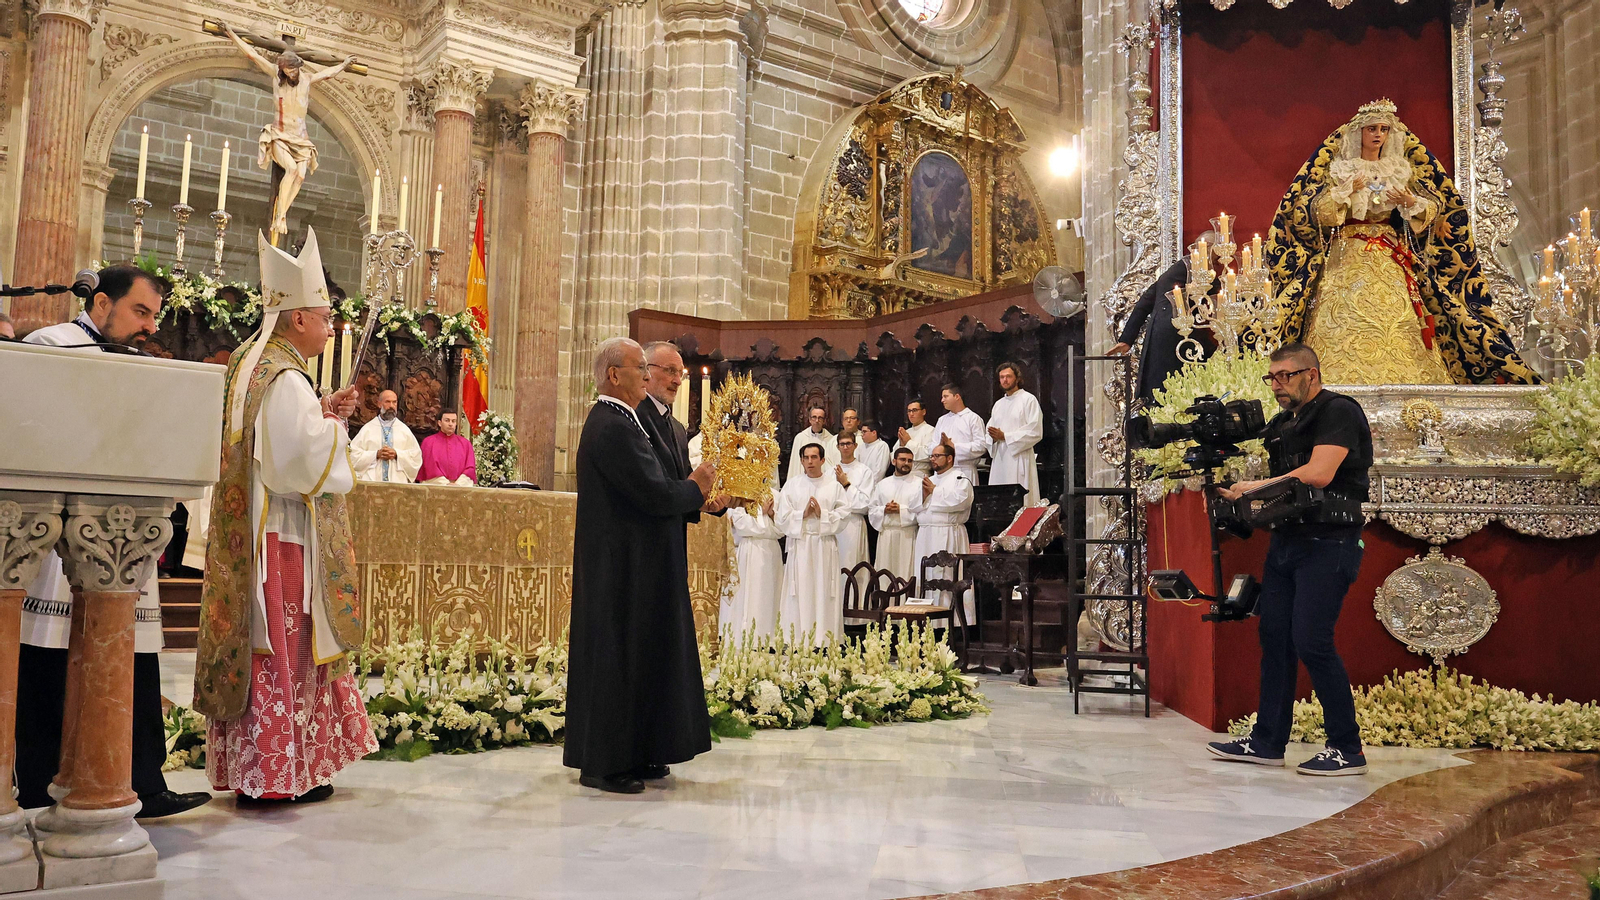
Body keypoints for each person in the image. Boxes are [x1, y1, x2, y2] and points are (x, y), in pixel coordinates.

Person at [18, 265, 210, 820]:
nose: (149, 325)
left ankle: (143, 785)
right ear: (101, 302)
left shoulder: (144, 365)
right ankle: (35, 785)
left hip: (125, 537)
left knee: (134, 659)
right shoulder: (51, 347)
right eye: (140, 311)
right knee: (50, 656)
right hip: (59, 538)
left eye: (155, 315)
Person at [195, 229, 377, 802]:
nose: (330, 328)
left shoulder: (253, 364)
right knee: (286, 650)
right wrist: (335, 429)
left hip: (255, 532)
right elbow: (300, 464)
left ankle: (262, 769)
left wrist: (320, 414)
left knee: (267, 647)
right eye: (325, 318)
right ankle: (278, 777)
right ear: (297, 319)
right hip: (284, 540)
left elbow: (270, 441)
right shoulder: (287, 374)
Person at [1267, 98, 1536, 385]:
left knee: (1402, 319)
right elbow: (1318, 214)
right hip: (1348, 253)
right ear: (1359, 133)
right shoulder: (1342, 170)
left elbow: (1431, 209)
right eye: (1372, 129)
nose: (1378, 135)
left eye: (1383, 129)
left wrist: (1409, 202)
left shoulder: (1397, 169)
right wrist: (1345, 192)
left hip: (1390, 254)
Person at [1207, 344, 1372, 776]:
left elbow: (1319, 473)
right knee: (1275, 639)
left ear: (1311, 375)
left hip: (1330, 541)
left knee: (1312, 640)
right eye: (1272, 378)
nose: (1277, 385)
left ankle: (1347, 748)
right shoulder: (1284, 423)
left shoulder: (1338, 411)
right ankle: (1267, 743)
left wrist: (1253, 486)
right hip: (1288, 541)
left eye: (1285, 376)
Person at [566, 337, 716, 794]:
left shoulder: (624, 422)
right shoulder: (612, 426)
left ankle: (636, 751)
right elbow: (652, 491)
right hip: (618, 567)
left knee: (634, 658)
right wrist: (697, 486)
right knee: (615, 658)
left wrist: (693, 494)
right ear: (616, 375)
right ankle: (604, 764)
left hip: (633, 562)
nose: (648, 376)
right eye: (640, 368)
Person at [222, 24, 356, 240]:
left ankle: (282, 213)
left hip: (301, 139)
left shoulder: (306, 80)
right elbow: (253, 55)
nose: (290, 73)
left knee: (301, 175)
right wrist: (231, 34)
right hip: (280, 135)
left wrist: (344, 64)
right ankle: (280, 217)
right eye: (287, 70)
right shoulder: (276, 77)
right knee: (292, 170)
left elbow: (328, 73)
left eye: (293, 69)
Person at [1108, 254, 1218, 404]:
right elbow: (1216, 290)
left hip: (1162, 338)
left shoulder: (1170, 274)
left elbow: (1144, 302)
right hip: (1176, 337)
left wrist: (1127, 339)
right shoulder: (1193, 265)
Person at [639, 341, 727, 518]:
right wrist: (695, 486)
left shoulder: (677, 428)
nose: (678, 381)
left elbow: (683, 482)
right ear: (646, 371)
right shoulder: (635, 418)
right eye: (670, 370)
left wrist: (705, 501)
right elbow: (648, 492)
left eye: (680, 373)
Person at [776, 443, 847, 643]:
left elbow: (844, 514)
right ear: (801, 461)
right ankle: (798, 639)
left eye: (814, 457)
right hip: (801, 545)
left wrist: (821, 514)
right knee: (801, 592)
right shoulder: (792, 485)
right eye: (806, 457)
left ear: (823, 460)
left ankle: (824, 640)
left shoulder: (833, 486)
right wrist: (803, 514)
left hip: (824, 545)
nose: (810, 461)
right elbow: (782, 518)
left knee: (824, 592)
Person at [913, 442, 975, 625]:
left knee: (947, 576)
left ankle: (952, 624)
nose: (933, 460)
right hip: (926, 535)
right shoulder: (928, 479)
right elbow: (914, 505)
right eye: (931, 456)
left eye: (937, 456)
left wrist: (935, 492)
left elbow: (960, 501)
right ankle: (927, 622)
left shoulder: (960, 479)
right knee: (925, 577)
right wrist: (925, 495)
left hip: (947, 534)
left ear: (949, 458)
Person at [721, 495, 783, 641]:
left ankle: (770, 637)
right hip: (750, 548)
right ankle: (749, 636)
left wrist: (773, 514)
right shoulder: (742, 495)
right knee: (751, 592)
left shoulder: (777, 495)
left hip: (771, 549)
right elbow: (741, 525)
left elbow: (783, 528)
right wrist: (762, 513)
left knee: (770, 593)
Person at [986, 362, 1044, 506]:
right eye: (1002, 377)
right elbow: (989, 431)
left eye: (1008, 376)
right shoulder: (998, 405)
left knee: (1021, 502)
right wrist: (993, 438)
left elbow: (1035, 431)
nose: (1005, 380)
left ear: (1017, 378)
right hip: (1000, 459)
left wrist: (1005, 436)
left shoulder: (1028, 400)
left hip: (1019, 457)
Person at [868, 448, 924, 583]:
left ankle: (906, 603)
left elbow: (922, 511)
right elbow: (872, 509)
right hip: (886, 535)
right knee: (885, 574)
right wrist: (884, 510)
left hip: (908, 534)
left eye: (910, 461)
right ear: (894, 461)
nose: (906, 463)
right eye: (902, 459)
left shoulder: (919, 484)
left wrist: (901, 510)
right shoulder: (882, 484)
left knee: (906, 573)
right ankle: (886, 603)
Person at [833, 433, 875, 604]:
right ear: (837, 447)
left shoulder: (864, 471)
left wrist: (846, 484)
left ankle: (855, 611)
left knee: (853, 567)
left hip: (854, 524)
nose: (845, 447)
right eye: (842, 444)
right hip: (834, 525)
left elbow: (865, 503)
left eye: (849, 443)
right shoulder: (830, 471)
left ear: (855, 446)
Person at [349, 389, 422, 483]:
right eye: (387, 402)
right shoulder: (368, 429)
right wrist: (375, 454)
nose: (391, 406)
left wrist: (397, 454)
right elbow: (353, 456)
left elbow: (416, 457)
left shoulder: (404, 430)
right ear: (379, 404)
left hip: (397, 482)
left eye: (394, 402)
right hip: (372, 482)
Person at [937, 384, 987, 483]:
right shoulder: (942, 420)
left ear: (957, 397)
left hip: (965, 471)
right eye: (942, 397)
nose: (942, 400)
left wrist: (954, 447)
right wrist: (941, 447)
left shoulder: (972, 418)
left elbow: (981, 446)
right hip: (943, 472)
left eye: (945, 396)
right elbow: (932, 446)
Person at [418, 411, 477, 486]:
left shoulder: (466, 444)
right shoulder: (429, 442)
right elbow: (429, 468)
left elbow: (470, 468)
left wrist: (458, 484)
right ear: (439, 423)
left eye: (453, 421)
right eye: (447, 420)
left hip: (460, 487)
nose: (450, 424)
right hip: (436, 486)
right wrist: (446, 484)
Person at [786, 404, 839, 482]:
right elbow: (795, 465)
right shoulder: (800, 438)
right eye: (814, 417)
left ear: (824, 421)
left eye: (820, 418)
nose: (817, 421)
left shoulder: (831, 440)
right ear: (809, 420)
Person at [894, 399, 937, 476]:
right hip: (901, 473)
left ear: (923, 412)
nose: (911, 414)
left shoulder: (930, 430)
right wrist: (901, 445)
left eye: (914, 410)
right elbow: (893, 456)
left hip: (920, 473)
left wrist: (908, 443)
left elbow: (928, 455)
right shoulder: (906, 432)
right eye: (909, 411)